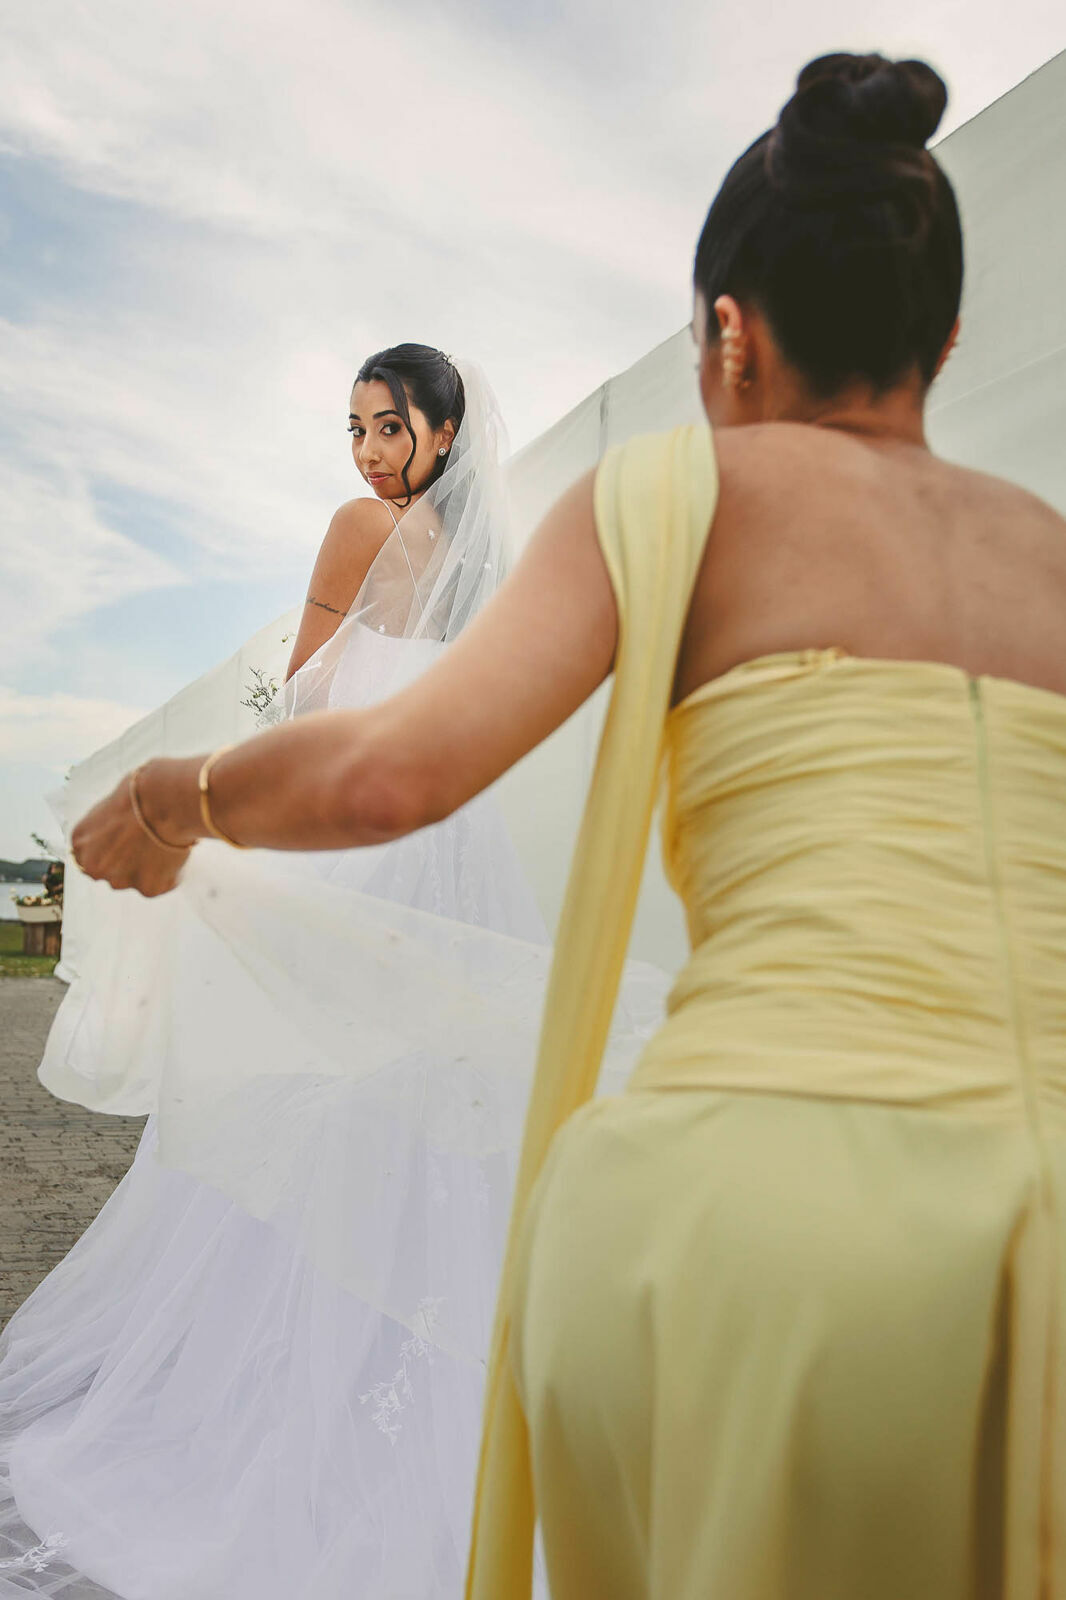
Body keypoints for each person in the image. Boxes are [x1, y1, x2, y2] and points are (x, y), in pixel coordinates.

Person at [64, 49, 1066, 1598]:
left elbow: (388, 773)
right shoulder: (1048, 556)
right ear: (942, 335)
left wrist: (172, 798)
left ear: (725, 336)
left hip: (751, 1219)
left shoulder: (669, 497)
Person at [0, 345, 589, 1599]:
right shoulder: (487, 563)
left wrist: (247, 758)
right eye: (356, 429)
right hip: (447, 848)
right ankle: (401, 1379)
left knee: (296, 1083)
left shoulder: (355, 530)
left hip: (350, 834)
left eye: (390, 426)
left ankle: (274, 1379)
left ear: (442, 430)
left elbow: (312, 697)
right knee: (427, 1098)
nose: (370, 453)